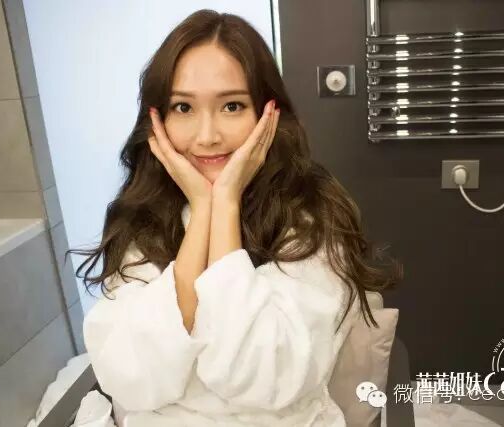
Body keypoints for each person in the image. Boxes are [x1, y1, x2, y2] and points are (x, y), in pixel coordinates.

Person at [68, 9, 401, 427]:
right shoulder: (142, 221)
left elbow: (266, 380)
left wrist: (223, 205)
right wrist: (202, 214)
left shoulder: (309, 219)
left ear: (268, 113)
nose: (207, 136)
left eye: (232, 105)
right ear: (158, 120)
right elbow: (132, 380)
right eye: (183, 107)